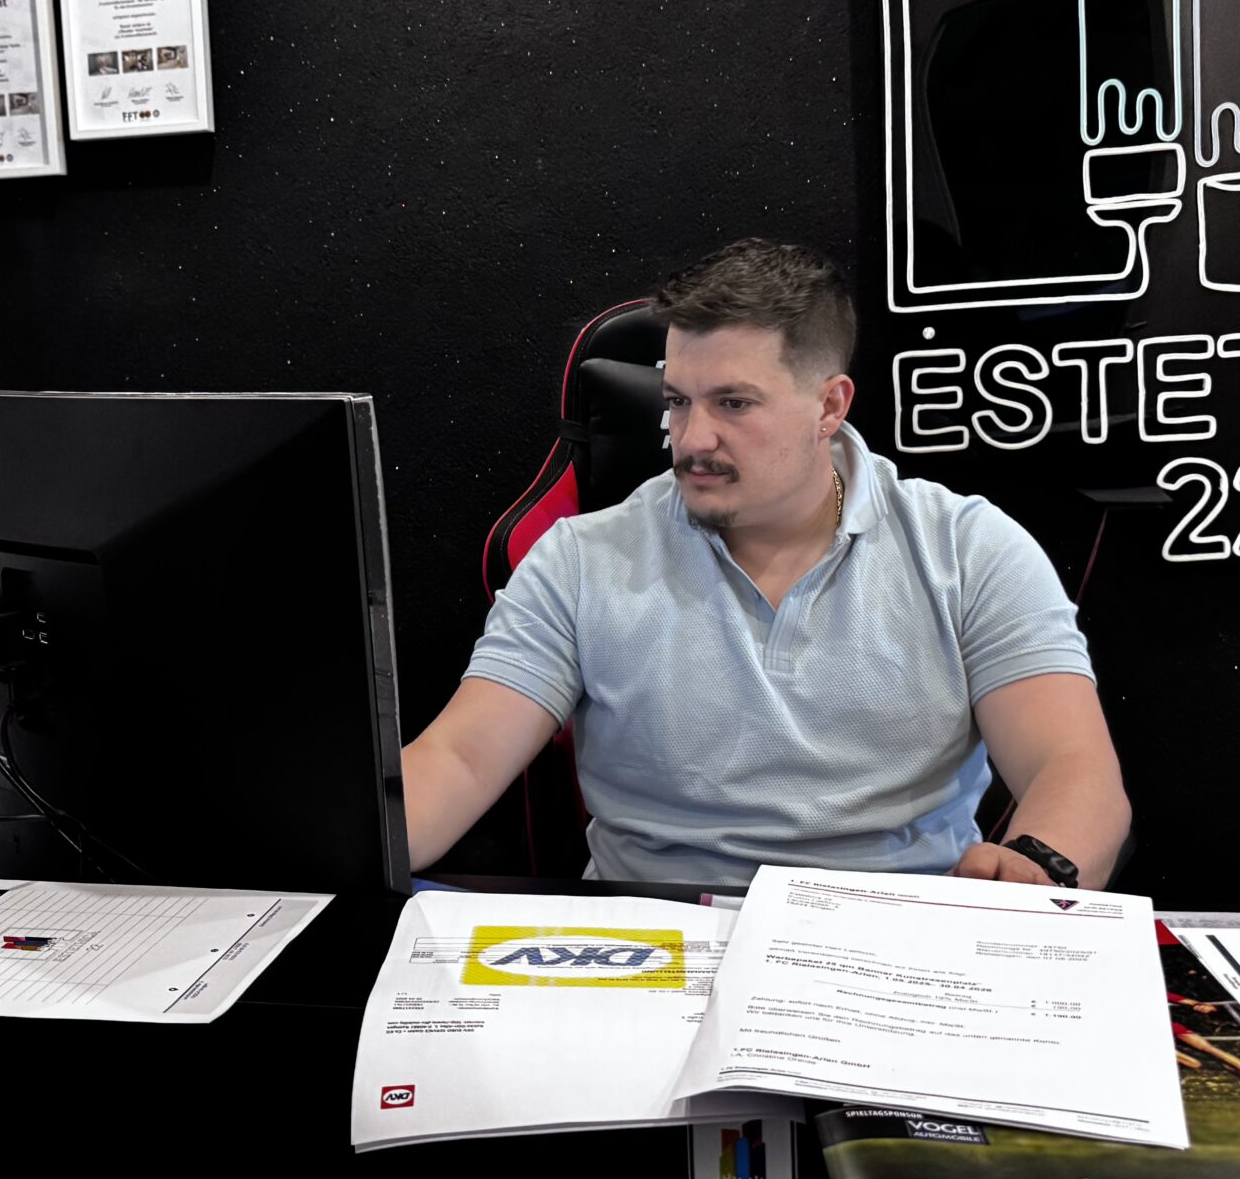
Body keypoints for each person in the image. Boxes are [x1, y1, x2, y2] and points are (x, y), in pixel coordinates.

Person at [402, 237, 1130, 889]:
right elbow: (461, 757)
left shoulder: (968, 550)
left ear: (830, 406)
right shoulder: (581, 561)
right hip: (653, 943)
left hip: (895, 939)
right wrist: (346, 847)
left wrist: (1035, 868)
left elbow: (1073, 767)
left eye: (733, 403)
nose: (693, 439)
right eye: (678, 402)